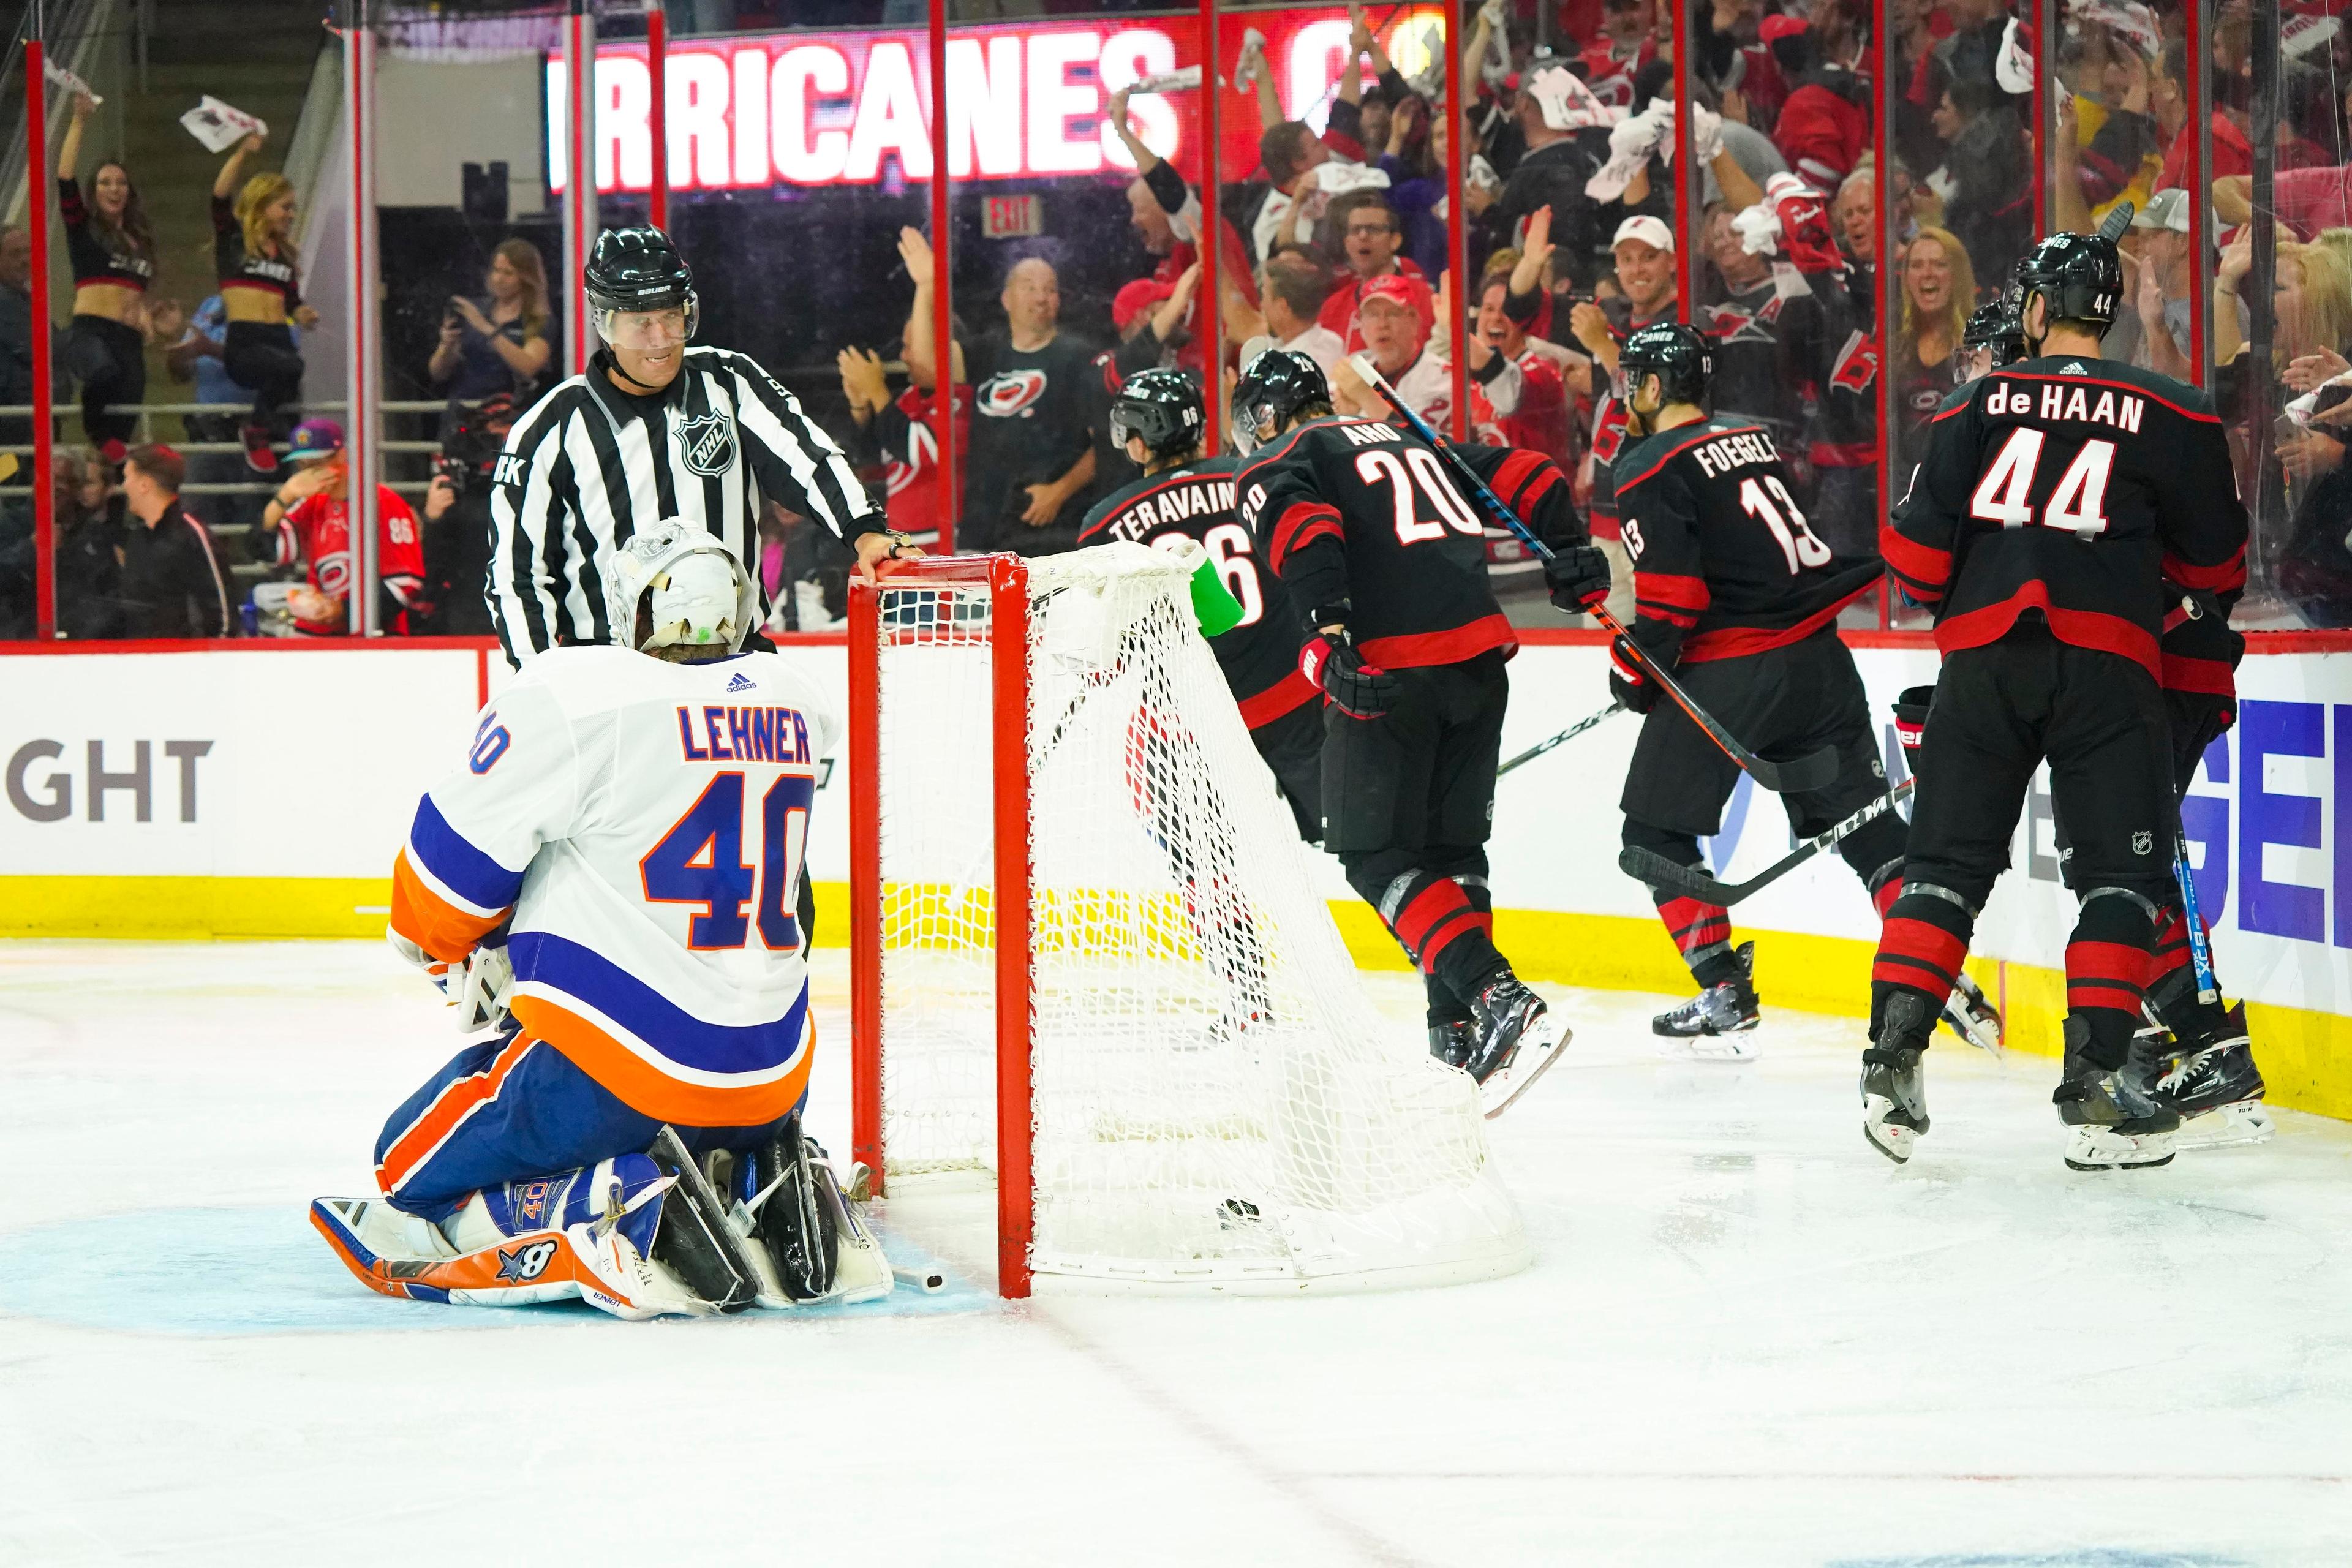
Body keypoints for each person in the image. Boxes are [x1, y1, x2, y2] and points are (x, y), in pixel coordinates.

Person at [312, 522, 888, 1319]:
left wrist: (466, 953)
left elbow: (443, 883)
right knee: (722, 1106)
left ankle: (617, 1196)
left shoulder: (582, 696)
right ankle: (762, 1176)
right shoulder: (798, 702)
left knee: (404, 1166)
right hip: (776, 1075)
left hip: (617, 1075)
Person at [1870, 219, 2249, 1172]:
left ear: (2036, 311)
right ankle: (2098, 1087)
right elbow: (2219, 565)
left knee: (1943, 871)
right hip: (2110, 665)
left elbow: (1913, 564)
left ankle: (1893, 1063)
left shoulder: (1973, 404)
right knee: (2121, 882)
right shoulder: (2178, 409)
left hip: (1986, 663)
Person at [1230, 347, 1603, 1115]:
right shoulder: (1409, 438)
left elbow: (1306, 528)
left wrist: (1326, 629)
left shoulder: (1286, 454)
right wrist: (1570, 550)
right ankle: (1455, 1032)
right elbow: (1531, 474)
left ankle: (1500, 1000)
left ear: (1265, 416)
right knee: (1451, 852)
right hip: (1478, 662)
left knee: (1372, 854)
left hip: (1389, 671)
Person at [1603, 324, 1977, 1056]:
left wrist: (1632, 671)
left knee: (1653, 833)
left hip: (1734, 674)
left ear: (1651, 388)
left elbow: (1673, 602)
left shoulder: (1646, 462)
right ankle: (1934, 967)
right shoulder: (1750, 438)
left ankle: (1720, 986)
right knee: (1867, 829)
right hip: (1820, 662)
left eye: (1632, 384)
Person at [487, 227, 902, 665]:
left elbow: (808, 459)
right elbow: (515, 576)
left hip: (734, 661)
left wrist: (865, 530)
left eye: (672, 315)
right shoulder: (550, 428)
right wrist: (539, 681)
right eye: (640, 322)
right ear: (604, 323)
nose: (661, 338)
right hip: (612, 672)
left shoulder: (729, 382)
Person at [1077, 369, 1323, 842]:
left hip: (1192, 726)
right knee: (1366, 854)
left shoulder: (1103, 522)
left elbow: (1110, 644)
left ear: (1140, 442)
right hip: (1297, 699)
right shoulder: (1252, 476)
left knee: (1206, 874)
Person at [899, 230, 1096, 558]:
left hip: (1054, 533)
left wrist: (1060, 491)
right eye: (1030, 288)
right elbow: (925, 368)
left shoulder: (1079, 357)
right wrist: (926, 288)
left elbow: (1106, 442)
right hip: (984, 527)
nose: (1041, 297)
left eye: (1050, 290)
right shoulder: (988, 351)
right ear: (1007, 300)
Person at [56, 91, 179, 464]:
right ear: (96, 192)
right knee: (103, 372)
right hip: (93, 329)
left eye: (121, 183)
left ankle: (111, 484)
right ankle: (96, 433)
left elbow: (137, 297)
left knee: (130, 399)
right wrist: (78, 121)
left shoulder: (140, 241)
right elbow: (65, 179)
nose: (114, 189)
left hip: (128, 336)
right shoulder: (85, 229)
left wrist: (155, 317)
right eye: (106, 183)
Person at [258, 418, 429, 636]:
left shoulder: (384, 502)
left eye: (318, 462)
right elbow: (268, 551)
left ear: (342, 455)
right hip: (321, 633)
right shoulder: (310, 504)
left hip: (377, 634)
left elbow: (407, 584)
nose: (310, 474)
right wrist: (284, 497)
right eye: (303, 465)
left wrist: (342, 611)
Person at [212, 131, 318, 474]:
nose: (291, 215)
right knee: (291, 369)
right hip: (246, 340)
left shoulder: (284, 257)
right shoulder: (234, 241)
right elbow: (219, 196)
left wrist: (303, 313)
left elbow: (291, 302)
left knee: (290, 389)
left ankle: (271, 451)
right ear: (263, 205)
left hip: (278, 339)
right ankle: (255, 430)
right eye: (285, 207)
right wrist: (242, 151)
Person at [166, 292, 298, 537]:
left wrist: (210, 349)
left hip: (256, 441)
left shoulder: (275, 306)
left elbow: (277, 365)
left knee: (259, 524)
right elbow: (181, 375)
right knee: (193, 527)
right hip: (209, 439)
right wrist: (175, 343)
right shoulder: (211, 305)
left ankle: (264, 572)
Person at [115, 443, 230, 639]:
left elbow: (222, 612)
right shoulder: (137, 538)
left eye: (127, 477)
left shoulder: (192, 535)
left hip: (186, 661)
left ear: (145, 485)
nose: (124, 486)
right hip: (141, 658)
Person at [427, 239, 553, 406]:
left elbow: (529, 367)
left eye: (508, 273)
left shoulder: (538, 320)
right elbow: (438, 373)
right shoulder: (473, 310)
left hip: (510, 412)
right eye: (495, 271)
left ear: (526, 278)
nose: (498, 279)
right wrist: (446, 346)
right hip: (464, 410)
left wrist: (487, 329)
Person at [1893, 227, 1978, 472]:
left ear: (1957, 275)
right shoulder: (1896, 347)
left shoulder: (1981, 346)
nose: (1927, 274)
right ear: (1906, 277)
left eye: (1939, 264)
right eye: (1917, 265)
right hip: (1902, 488)